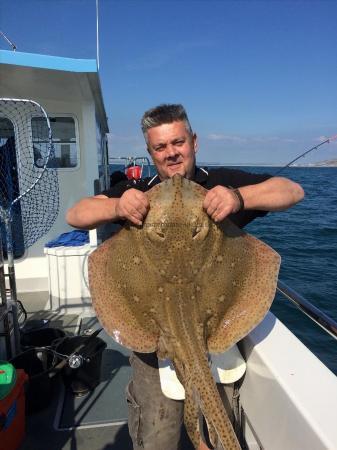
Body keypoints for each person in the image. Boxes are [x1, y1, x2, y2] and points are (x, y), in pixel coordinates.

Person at [66, 104, 304, 450]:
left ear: (193, 142)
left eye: (177, 142)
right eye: (160, 147)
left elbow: (293, 190)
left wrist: (239, 198)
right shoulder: (138, 191)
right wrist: (118, 207)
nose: (171, 153)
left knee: (220, 431)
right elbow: (76, 214)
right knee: (158, 436)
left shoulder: (219, 182)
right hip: (152, 330)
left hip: (214, 328)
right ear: (150, 153)